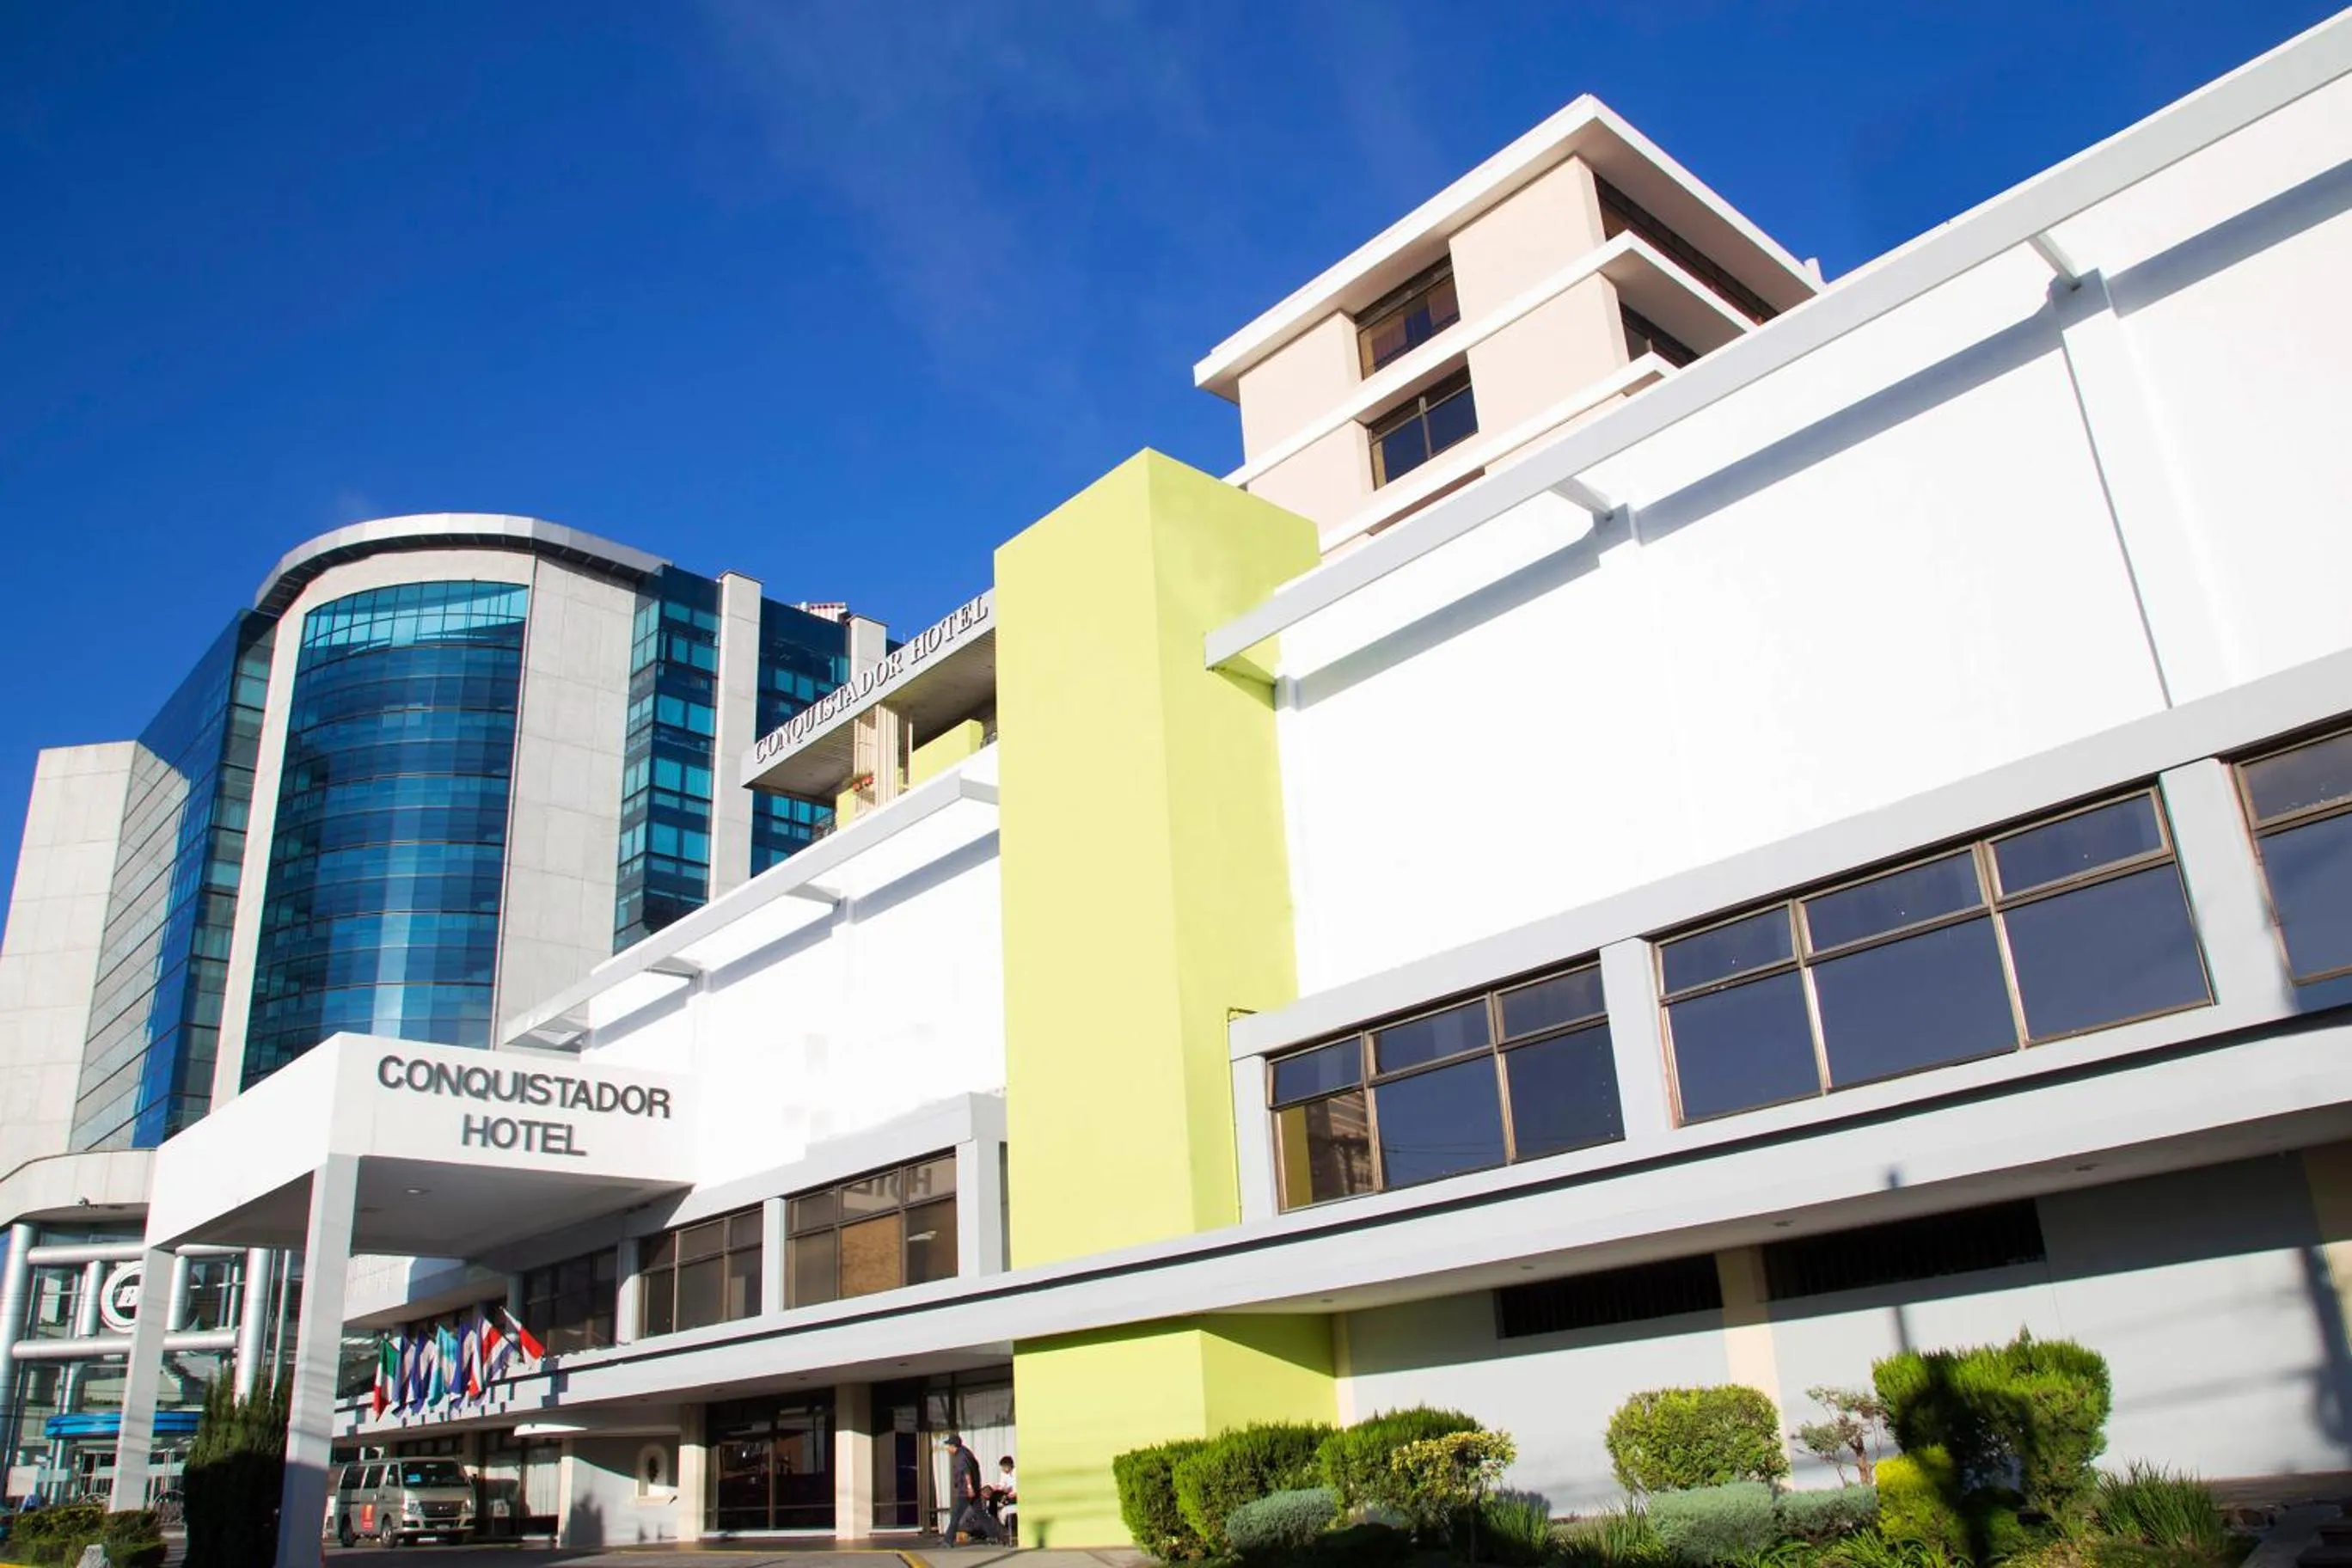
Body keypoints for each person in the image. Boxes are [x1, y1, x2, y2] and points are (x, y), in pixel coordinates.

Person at [942, 1433, 1000, 1545]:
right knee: (980, 1513)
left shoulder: (961, 1456)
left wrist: (969, 1487)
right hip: (974, 1489)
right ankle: (993, 1536)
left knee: (956, 1515)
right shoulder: (966, 1452)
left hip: (966, 1491)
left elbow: (966, 1472)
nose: (948, 1449)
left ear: (954, 1446)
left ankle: (948, 1540)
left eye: (949, 1446)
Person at [990, 1456, 1018, 1544]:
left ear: (1009, 1466)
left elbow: (1017, 1486)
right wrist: (999, 1487)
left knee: (1008, 1502)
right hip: (1007, 1494)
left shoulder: (1016, 1472)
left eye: (1004, 1467)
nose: (1003, 1469)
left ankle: (1008, 1529)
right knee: (993, 1496)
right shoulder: (1003, 1474)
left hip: (1015, 1495)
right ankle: (993, 1516)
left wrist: (1013, 1492)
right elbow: (1002, 1484)